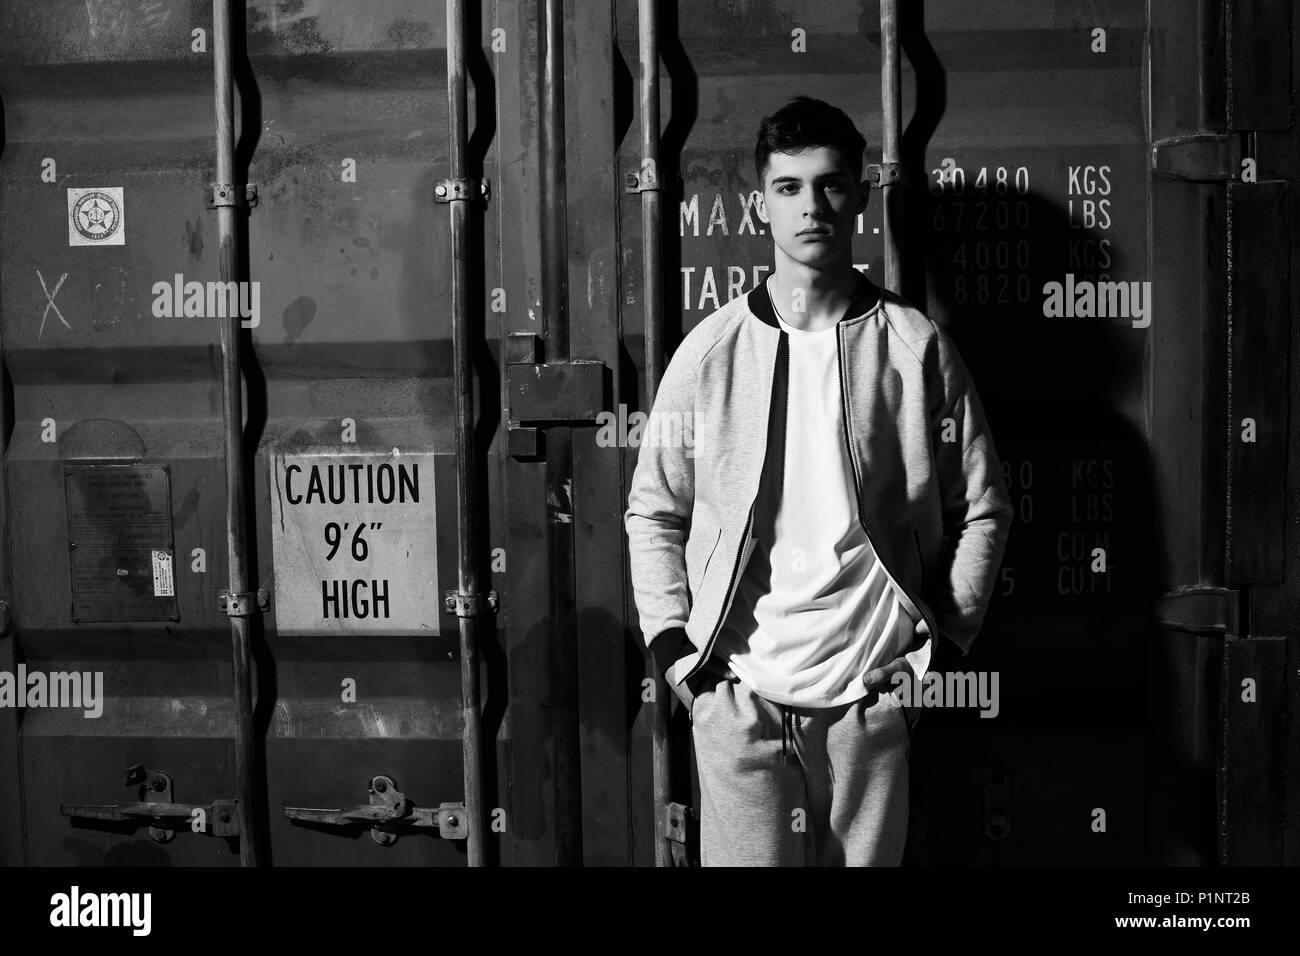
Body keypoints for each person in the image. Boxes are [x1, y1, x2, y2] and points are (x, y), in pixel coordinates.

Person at [624, 95, 1012, 866]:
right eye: (790, 187)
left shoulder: (913, 348)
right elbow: (653, 511)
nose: (813, 207)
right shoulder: (710, 354)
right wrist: (680, 660)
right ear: (760, 202)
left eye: (832, 184)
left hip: (870, 704)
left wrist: (942, 655)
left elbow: (984, 507)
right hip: (738, 701)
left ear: (862, 192)